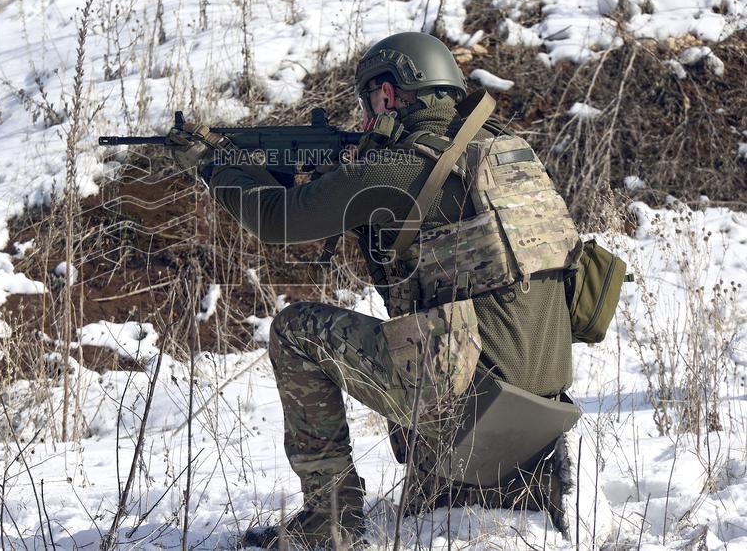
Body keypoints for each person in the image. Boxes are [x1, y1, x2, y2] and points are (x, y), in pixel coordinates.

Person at [166, 32, 586, 549]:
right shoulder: (507, 154)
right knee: (434, 331)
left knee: (295, 331)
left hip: (472, 404)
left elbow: (276, 220)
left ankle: (330, 524)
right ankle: (512, 478)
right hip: (544, 403)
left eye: (369, 100)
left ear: (390, 93)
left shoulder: (404, 164)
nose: (365, 116)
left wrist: (213, 166)